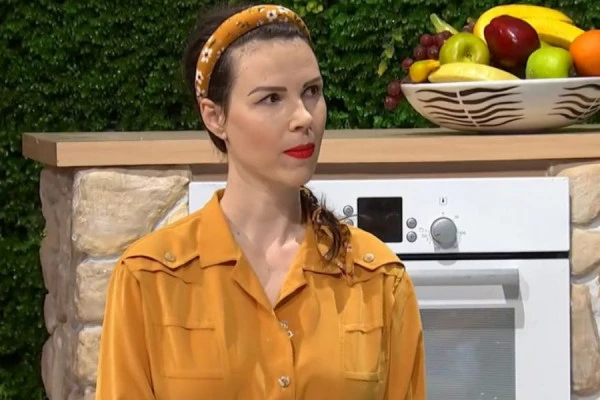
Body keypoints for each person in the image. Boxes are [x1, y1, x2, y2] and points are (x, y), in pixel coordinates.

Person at [95, 3, 426, 400]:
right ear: (215, 116)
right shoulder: (149, 278)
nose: (304, 117)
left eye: (312, 92)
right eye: (271, 99)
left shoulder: (378, 279)